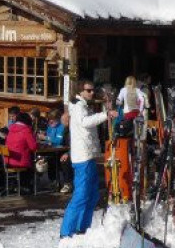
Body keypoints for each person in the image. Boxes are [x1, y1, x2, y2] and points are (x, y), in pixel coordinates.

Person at [60, 80, 117, 238]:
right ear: (81, 91)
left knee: (92, 194)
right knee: (81, 195)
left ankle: (82, 227)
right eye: (89, 90)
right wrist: (105, 115)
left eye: (93, 90)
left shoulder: (83, 105)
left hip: (89, 155)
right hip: (82, 157)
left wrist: (107, 106)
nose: (92, 93)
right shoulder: (78, 106)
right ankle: (66, 232)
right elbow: (85, 122)